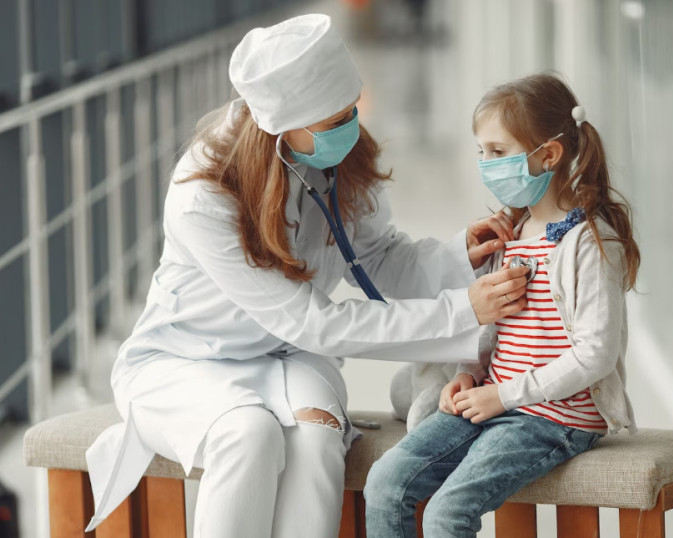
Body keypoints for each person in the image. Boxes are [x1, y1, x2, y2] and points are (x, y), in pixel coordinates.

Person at [83, 14, 531, 538]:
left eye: (351, 109)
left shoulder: (333, 157)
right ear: (282, 124)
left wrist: (458, 258)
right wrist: (460, 311)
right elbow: (312, 322)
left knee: (318, 441)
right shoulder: (202, 195)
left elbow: (376, 254)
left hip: (288, 354)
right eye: (334, 119)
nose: (351, 127)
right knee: (248, 433)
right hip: (190, 358)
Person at [364, 73, 642, 537]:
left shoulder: (591, 243)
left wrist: (503, 396)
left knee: (446, 513)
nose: (486, 164)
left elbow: (595, 354)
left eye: (498, 151)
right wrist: (467, 375)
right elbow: (492, 328)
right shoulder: (510, 235)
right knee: (386, 482)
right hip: (493, 400)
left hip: (553, 417)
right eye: (482, 152)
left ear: (548, 155)